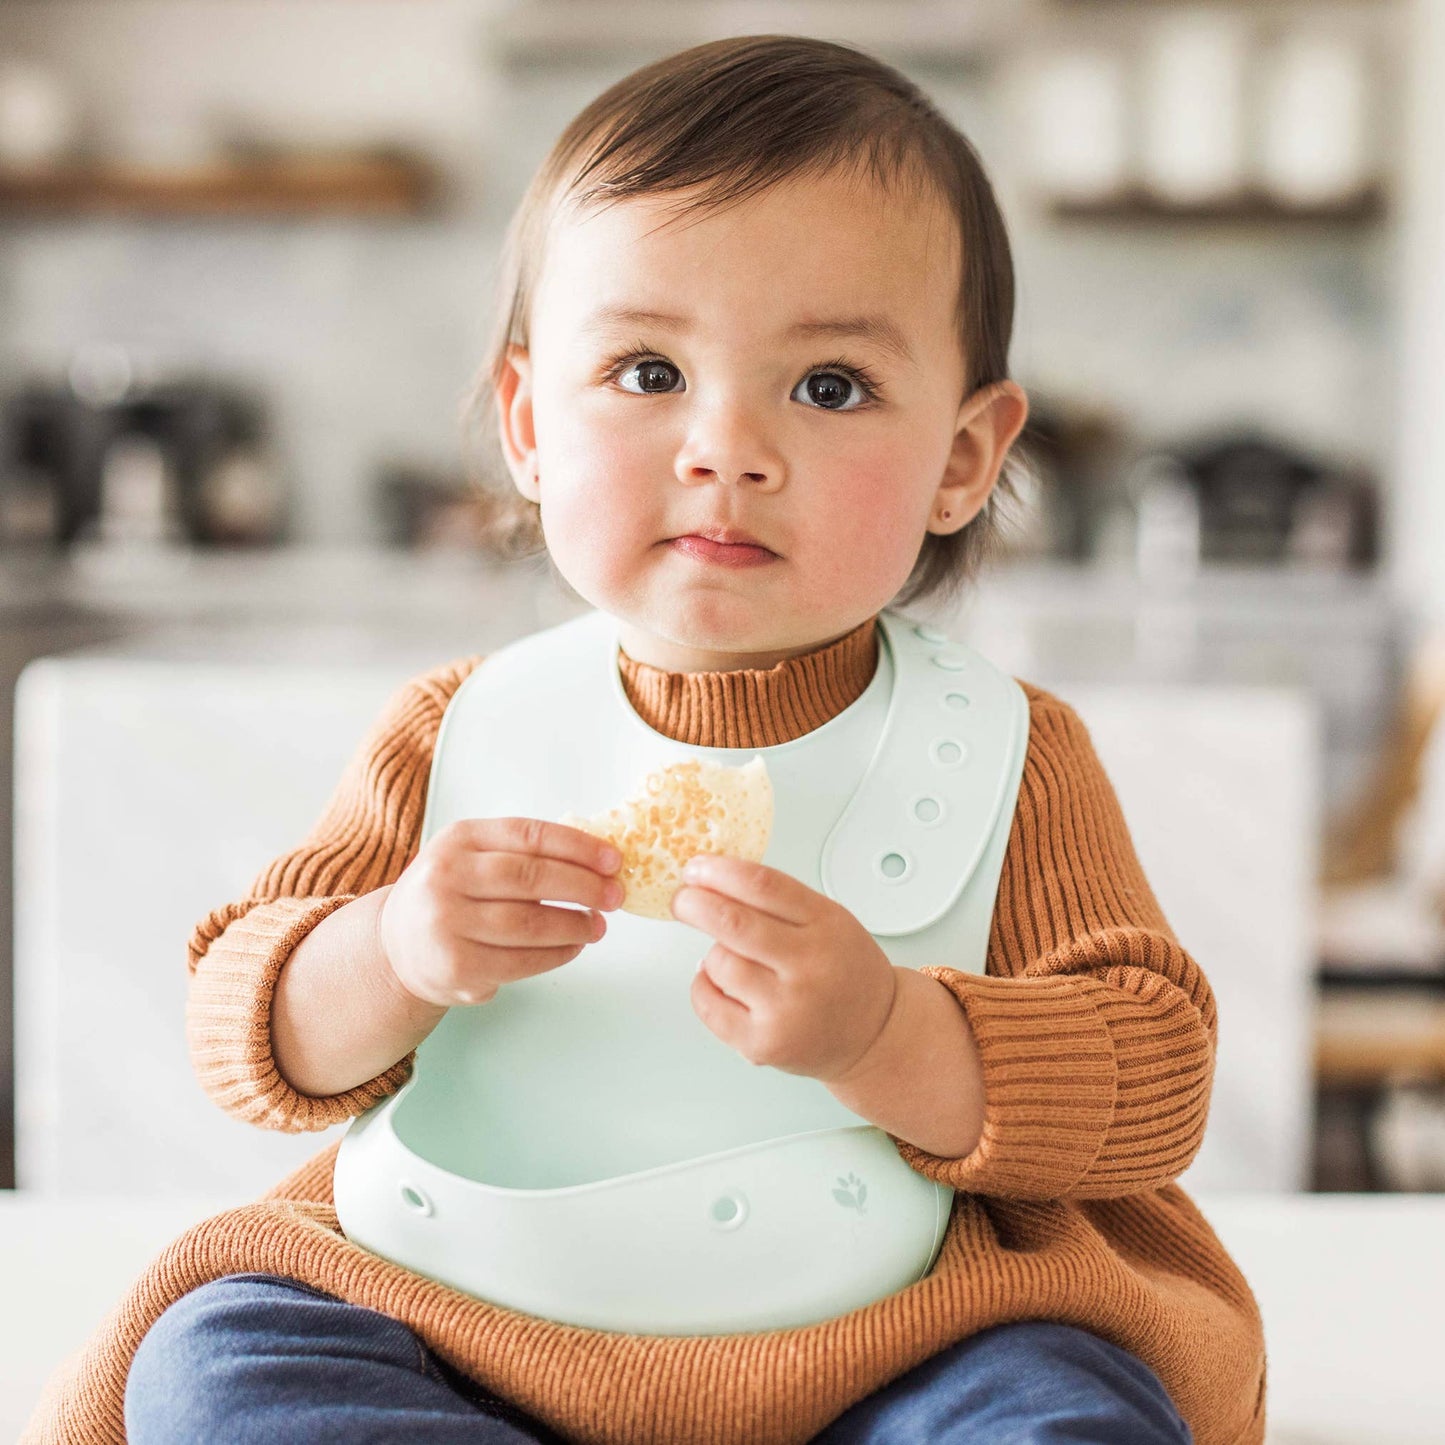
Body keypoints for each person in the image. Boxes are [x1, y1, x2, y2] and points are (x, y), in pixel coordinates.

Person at [25, 34, 1265, 1445]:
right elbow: (238, 1024)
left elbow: (1153, 1072)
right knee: (221, 1355)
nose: (724, 446)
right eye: (645, 369)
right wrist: (392, 950)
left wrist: (894, 1032)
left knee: (1058, 1399)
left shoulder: (1010, 749)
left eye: (830, 386)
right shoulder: (458, 729)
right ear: (527, 422)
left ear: (966, 460)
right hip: (466, 1309)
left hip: (894, 1334)